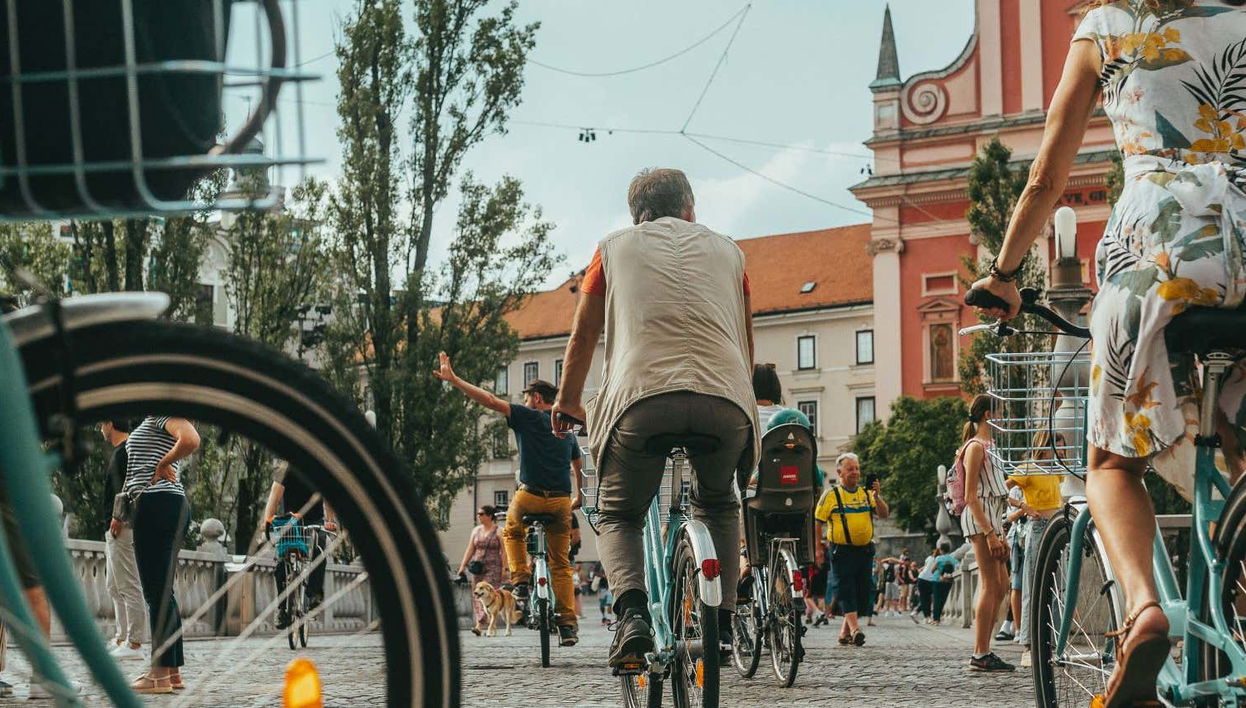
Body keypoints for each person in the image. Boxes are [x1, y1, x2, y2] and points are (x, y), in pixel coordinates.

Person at [967, 0, 1246, 701]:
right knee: (1239, 443)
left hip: (1159, 249)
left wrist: (1003, 276)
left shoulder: (1105, 29)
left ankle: (1144, 610)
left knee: (1112, 464)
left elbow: (1046, 178)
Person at [551, 167, 758, 671]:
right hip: (725, 397)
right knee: (720, 504)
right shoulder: (732, 253)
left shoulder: (612, 249)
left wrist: (568, 402)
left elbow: (584, 336)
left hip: (642, 399)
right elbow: (746, 338)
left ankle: (632, 617)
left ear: (636, 216)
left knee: (619, 512)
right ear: (690, 210)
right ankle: (724, 625)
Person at [434, 354, 583, 647]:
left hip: (529, 496)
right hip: (560, 501)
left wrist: (455, 379)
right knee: (561, 564)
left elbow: (489, 400)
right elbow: (579, 466)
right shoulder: (566, 427)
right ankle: (567, 625)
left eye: (527, 397)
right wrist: (578, 495)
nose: (524, 402)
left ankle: (521, 581)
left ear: (537, 399)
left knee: (511, 531)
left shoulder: (528, 416)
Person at [126, 415, 199, 694]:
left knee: (156, 591)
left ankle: (157, 675)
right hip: (166, 503)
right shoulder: (155, 416)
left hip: (156, 502)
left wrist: (163, 463)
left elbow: (191, 440)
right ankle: (172, 671)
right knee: (164, 590)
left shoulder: (163, 413)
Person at [954, 395, 1013, 671]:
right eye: (1000, 413)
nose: (1004, 418)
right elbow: (970, 496)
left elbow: (996, 488)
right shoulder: (976, 447)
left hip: (993, 518)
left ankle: (984, 648)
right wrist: (990, 533)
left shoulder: (991, 447)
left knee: (1002, 585)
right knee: (991, 584)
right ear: (989, 415)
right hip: (981, 520)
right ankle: (980, 653)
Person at [814, 453, 890, 647]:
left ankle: (843, 633)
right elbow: (818, 521)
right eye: (850, 469)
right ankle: (855, 630)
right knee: (846, 589)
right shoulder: (830, 495)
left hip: (864, 550)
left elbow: (884, 514)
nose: (855, 472)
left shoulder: (865, 494)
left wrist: (877, 496)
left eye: (857, 468)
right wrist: (818, 548)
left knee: (862, 590)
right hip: (841, 550)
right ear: (839, 472)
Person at [262, 461, 339, 630]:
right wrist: (268, 523)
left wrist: (330, 521)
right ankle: (282, 609)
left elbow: (328, 500)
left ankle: (313, 595)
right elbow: (273, 500)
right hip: (291, 521)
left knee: (320, 546)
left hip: (314, 521)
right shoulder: (286, 470)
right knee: (281, 562)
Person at [1010, 431, 1065, 669]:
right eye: (1058, 446)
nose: (1062, 451)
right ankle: (1028, 645)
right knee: (1032, 586)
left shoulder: (1057, 470)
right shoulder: (1028, 468)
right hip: (1038, 527)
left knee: (1056, 586)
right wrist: (1025, 507)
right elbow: (1005, 490)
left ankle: (1052, 644)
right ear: (1045, 446)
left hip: (1058, 526)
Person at [99, 420, 147, 662]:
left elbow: (133, 486)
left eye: (101, 423)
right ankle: (121, 638)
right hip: (113, 527)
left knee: (128, 584)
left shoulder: (128, 450)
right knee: (113, 586)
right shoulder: (120, 452)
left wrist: (120, 517)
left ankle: (135, 643)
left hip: (123, 526)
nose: (100, 428)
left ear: (110, 423)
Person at [455, 506, 507, 636]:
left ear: (490, 515)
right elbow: (470, 549)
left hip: (494, 568)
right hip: (477, 568)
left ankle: (480, 625)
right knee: (477, 595)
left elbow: (504, 552)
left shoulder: (499, 531)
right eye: (478, 514)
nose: (479, 516)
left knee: (490, 595)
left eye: (481, 514)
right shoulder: (476, 531)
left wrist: (505, 569)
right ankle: (485, 622)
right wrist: (462, 566)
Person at [995, 479, 1027, 643]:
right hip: (1019, 540)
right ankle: (1018, 628)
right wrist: (1025, 507)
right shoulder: (1016, 490)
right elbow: (1010, 517)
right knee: (1017, 584)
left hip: (1039, 533)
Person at [930, 543, 960, 625]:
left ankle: (936, 619)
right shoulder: (953, 559)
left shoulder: (939, 558)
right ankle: (938, 618)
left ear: (941, 550)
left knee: (936, 600)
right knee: (943, 600)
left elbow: (932, 570)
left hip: (937, 581)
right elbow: (957, 567)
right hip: (948, 582)